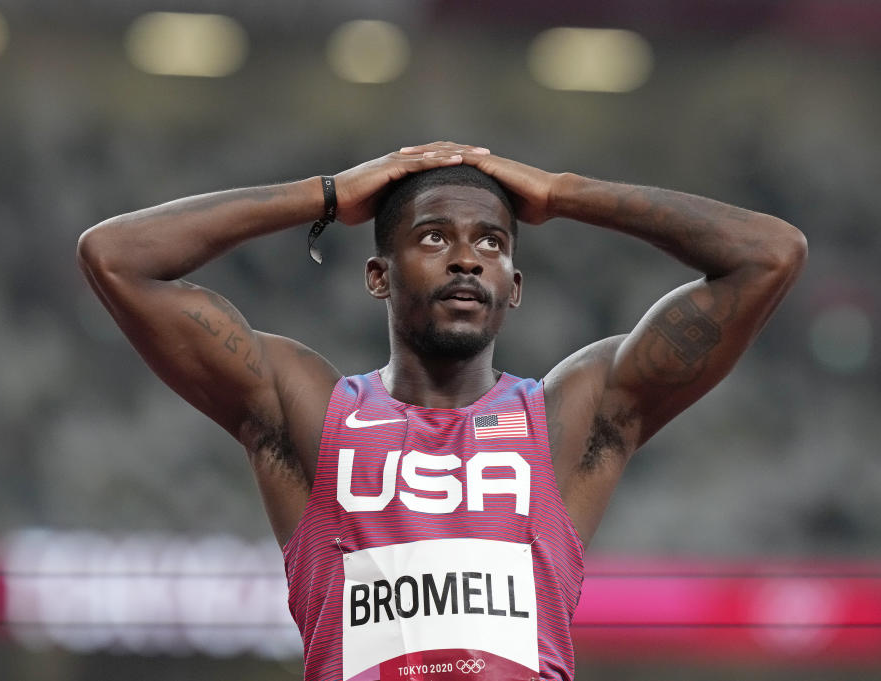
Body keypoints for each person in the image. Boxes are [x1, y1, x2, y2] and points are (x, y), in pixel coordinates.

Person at [77, 141, 806, 681]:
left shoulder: (567, 421)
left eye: (490, 242)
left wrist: (560, 192)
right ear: (376, 275)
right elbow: (115, 256)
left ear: (513, 285)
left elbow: (769, 254)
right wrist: (328, 194)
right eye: (433, 237)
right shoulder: (310, 414)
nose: (466, 258)